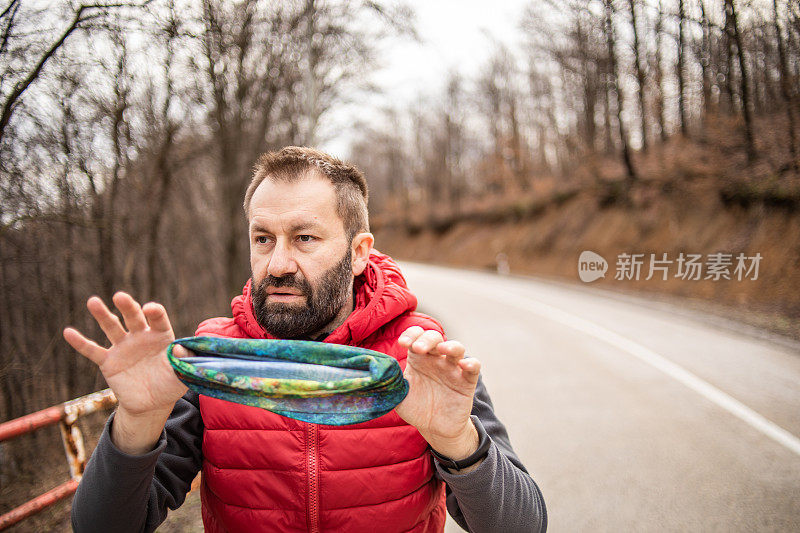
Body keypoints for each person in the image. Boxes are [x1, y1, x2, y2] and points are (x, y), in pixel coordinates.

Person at [65, 146, 547, 532]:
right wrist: (137, 423)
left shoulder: (418, 354)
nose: (276, 264)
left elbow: (524, 526)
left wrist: (457, 440)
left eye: (305, 238)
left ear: (359, 253)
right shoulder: (214, 361)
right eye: (262, 238)